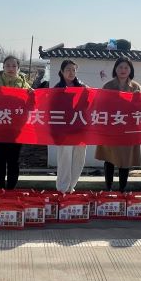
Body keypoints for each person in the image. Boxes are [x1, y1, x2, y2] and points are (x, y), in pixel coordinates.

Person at [94, 57, 141, 192]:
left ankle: (122, 189)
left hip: (128, 130)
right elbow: (100, 106)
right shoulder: (108, 86)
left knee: (125, 161)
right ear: (115, 69)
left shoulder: (136, 87)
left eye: (126, 67)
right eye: (120, 67)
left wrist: (137, 100)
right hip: (111, 129)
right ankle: (108, 188)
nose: (123, 70)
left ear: (130, 70)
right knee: (109, 159)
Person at [0, 55, 31, 189]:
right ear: (3, 67)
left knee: (14, 160)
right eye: (8, 65)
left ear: (18, 68)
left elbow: (31, 103)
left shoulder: (24, 84)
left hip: (16, 128)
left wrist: (32, 95)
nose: (11, 68)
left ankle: (11, 189)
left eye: (14, 66)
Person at [53, 59, 87, 193]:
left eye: (73, 70)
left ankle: (71, 187)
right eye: (68, 70)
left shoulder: (82, 87)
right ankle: (62, 188)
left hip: (79, 127)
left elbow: (89, 104)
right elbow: (51, 107)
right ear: (62, 72)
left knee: (79, 158)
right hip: (64, 129)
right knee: (64, 157)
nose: (71, 72)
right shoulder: (57, 88)